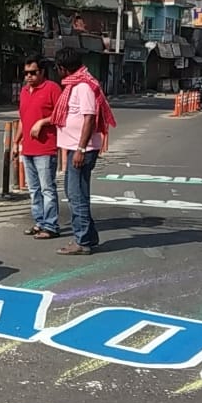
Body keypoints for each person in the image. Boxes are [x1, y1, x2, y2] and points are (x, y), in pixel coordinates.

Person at [51, 47, 116, 256]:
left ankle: (82, 241)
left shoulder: (83, 87)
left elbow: (89, 118)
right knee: (74, 192)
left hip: (82, 149)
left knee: (77, 195)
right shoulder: (74, 86)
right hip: (74, 148)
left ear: (62, 68)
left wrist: (80, 149)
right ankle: (89, 235)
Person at [17, 55, 62, 240]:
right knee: (33, 189)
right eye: (26, 73)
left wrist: (42, 122)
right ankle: (40, 221)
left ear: (42, 72)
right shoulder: (24, 91)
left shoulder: (52, 88)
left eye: (33, 73)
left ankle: (51, 225)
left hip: (45, 148)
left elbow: (61, 115)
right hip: (27, 148)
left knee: (47, 189)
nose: (29, 76)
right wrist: (16, 142)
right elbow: (22, 119)